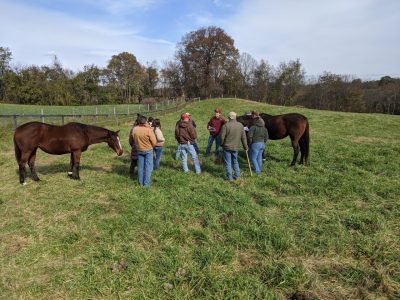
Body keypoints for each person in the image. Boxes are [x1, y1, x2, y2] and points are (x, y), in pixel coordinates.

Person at [220, 112, 248, 181]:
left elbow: (222, 137)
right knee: (235, 161)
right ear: (235, 117)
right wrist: (246, 147)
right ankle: (237, 176)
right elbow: (243, 137)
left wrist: (221, 144)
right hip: (236, 147)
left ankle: (230, 178)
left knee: (228, 162)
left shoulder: (225, 125)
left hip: (226, 147)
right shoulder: (240, 125)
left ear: (229, 117)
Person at [132, 115, 157, 187]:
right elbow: (154, 142)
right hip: (148, 150)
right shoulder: (148, 130)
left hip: (139, 149)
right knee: (148, 167)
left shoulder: (135, 129)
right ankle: (146, 184)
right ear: (145, 122)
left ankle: (140, 183)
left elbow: (133, 138)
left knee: (140, 167)